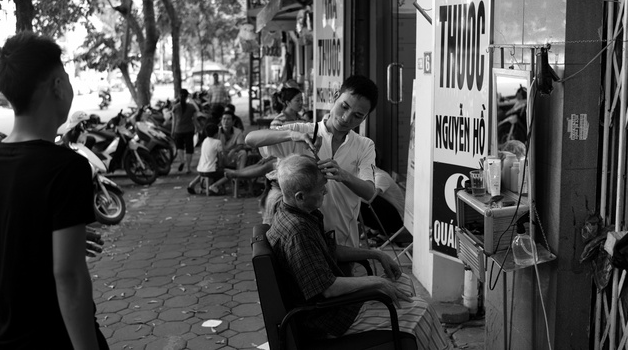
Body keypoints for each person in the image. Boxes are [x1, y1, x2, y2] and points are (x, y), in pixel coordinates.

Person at [267, 154, 450, 349]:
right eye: (321, 190)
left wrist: (376, 254)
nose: (326, 192)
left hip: (330, 307)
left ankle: (408, 342)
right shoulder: (298, 232)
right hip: (328, 319)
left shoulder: (295, 212)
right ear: (300, 197)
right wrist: (375, 281)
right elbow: (328, 289)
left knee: (401, 282)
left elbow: (331, 250)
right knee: (422, 311)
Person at [0, 32, 108, 349]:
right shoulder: (66, 168)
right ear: (58, 85)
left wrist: (40, 237)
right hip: (50, 335)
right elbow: (69, 277)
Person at [246, 75, 378, 248]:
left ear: (365, 117)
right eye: (344, 107)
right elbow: (250, 139)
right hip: (300, 244)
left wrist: (343, 175)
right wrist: (292, 135)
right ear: (336, 95)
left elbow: (369, 193)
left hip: (344, 243)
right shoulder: (303, 132)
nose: (346, 118)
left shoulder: (364, 145)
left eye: (357, 115)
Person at [187, 123, 229, 195]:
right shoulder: (217, 142)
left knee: (204, 172)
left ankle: (192, 184)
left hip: (200, 169)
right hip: (211, 171)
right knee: (228, 174)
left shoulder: (205, 140)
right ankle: (214, 186)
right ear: (216, 133)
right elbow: (220, 157)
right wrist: (222, 166)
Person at [171, 89, 199, 173]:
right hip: (189, 130)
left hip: (178, 130)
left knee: (180, 147)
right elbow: (194, 119)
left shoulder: (175, 107)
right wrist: (197, 128)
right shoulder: (191, 106)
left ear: (179, 96)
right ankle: (188, 168)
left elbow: (174, 121)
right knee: (189, 148)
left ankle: (182, 161)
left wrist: (172, 131)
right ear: (187, 96)